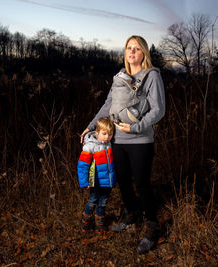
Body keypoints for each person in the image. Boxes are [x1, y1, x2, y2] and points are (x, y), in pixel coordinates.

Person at [80, 35, 165, 254]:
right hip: (117, 140)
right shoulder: (119, 77)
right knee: (123, 180)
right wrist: (91, 126)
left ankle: (153, 228)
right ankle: (132, 214)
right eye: (129, 48)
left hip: (140, 140)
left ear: (143, 52)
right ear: (125, 52)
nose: (132, 51)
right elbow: (108, 105)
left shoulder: (152, 76)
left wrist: (136, 128)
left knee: (142, 184)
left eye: (137, 48)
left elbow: (158, 110)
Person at [77, 117, 116, 234]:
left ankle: (100, 222)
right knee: (93, 201)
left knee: (103, 202)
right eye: (104, 134)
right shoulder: (90, 146)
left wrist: (114, 178)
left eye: (110, 134)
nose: (107, 137)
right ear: (97, 132)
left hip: (107, 182)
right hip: (95, 181)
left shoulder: (110, 145)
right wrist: (85, 182)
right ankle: (86, 220)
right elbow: (82, 165)